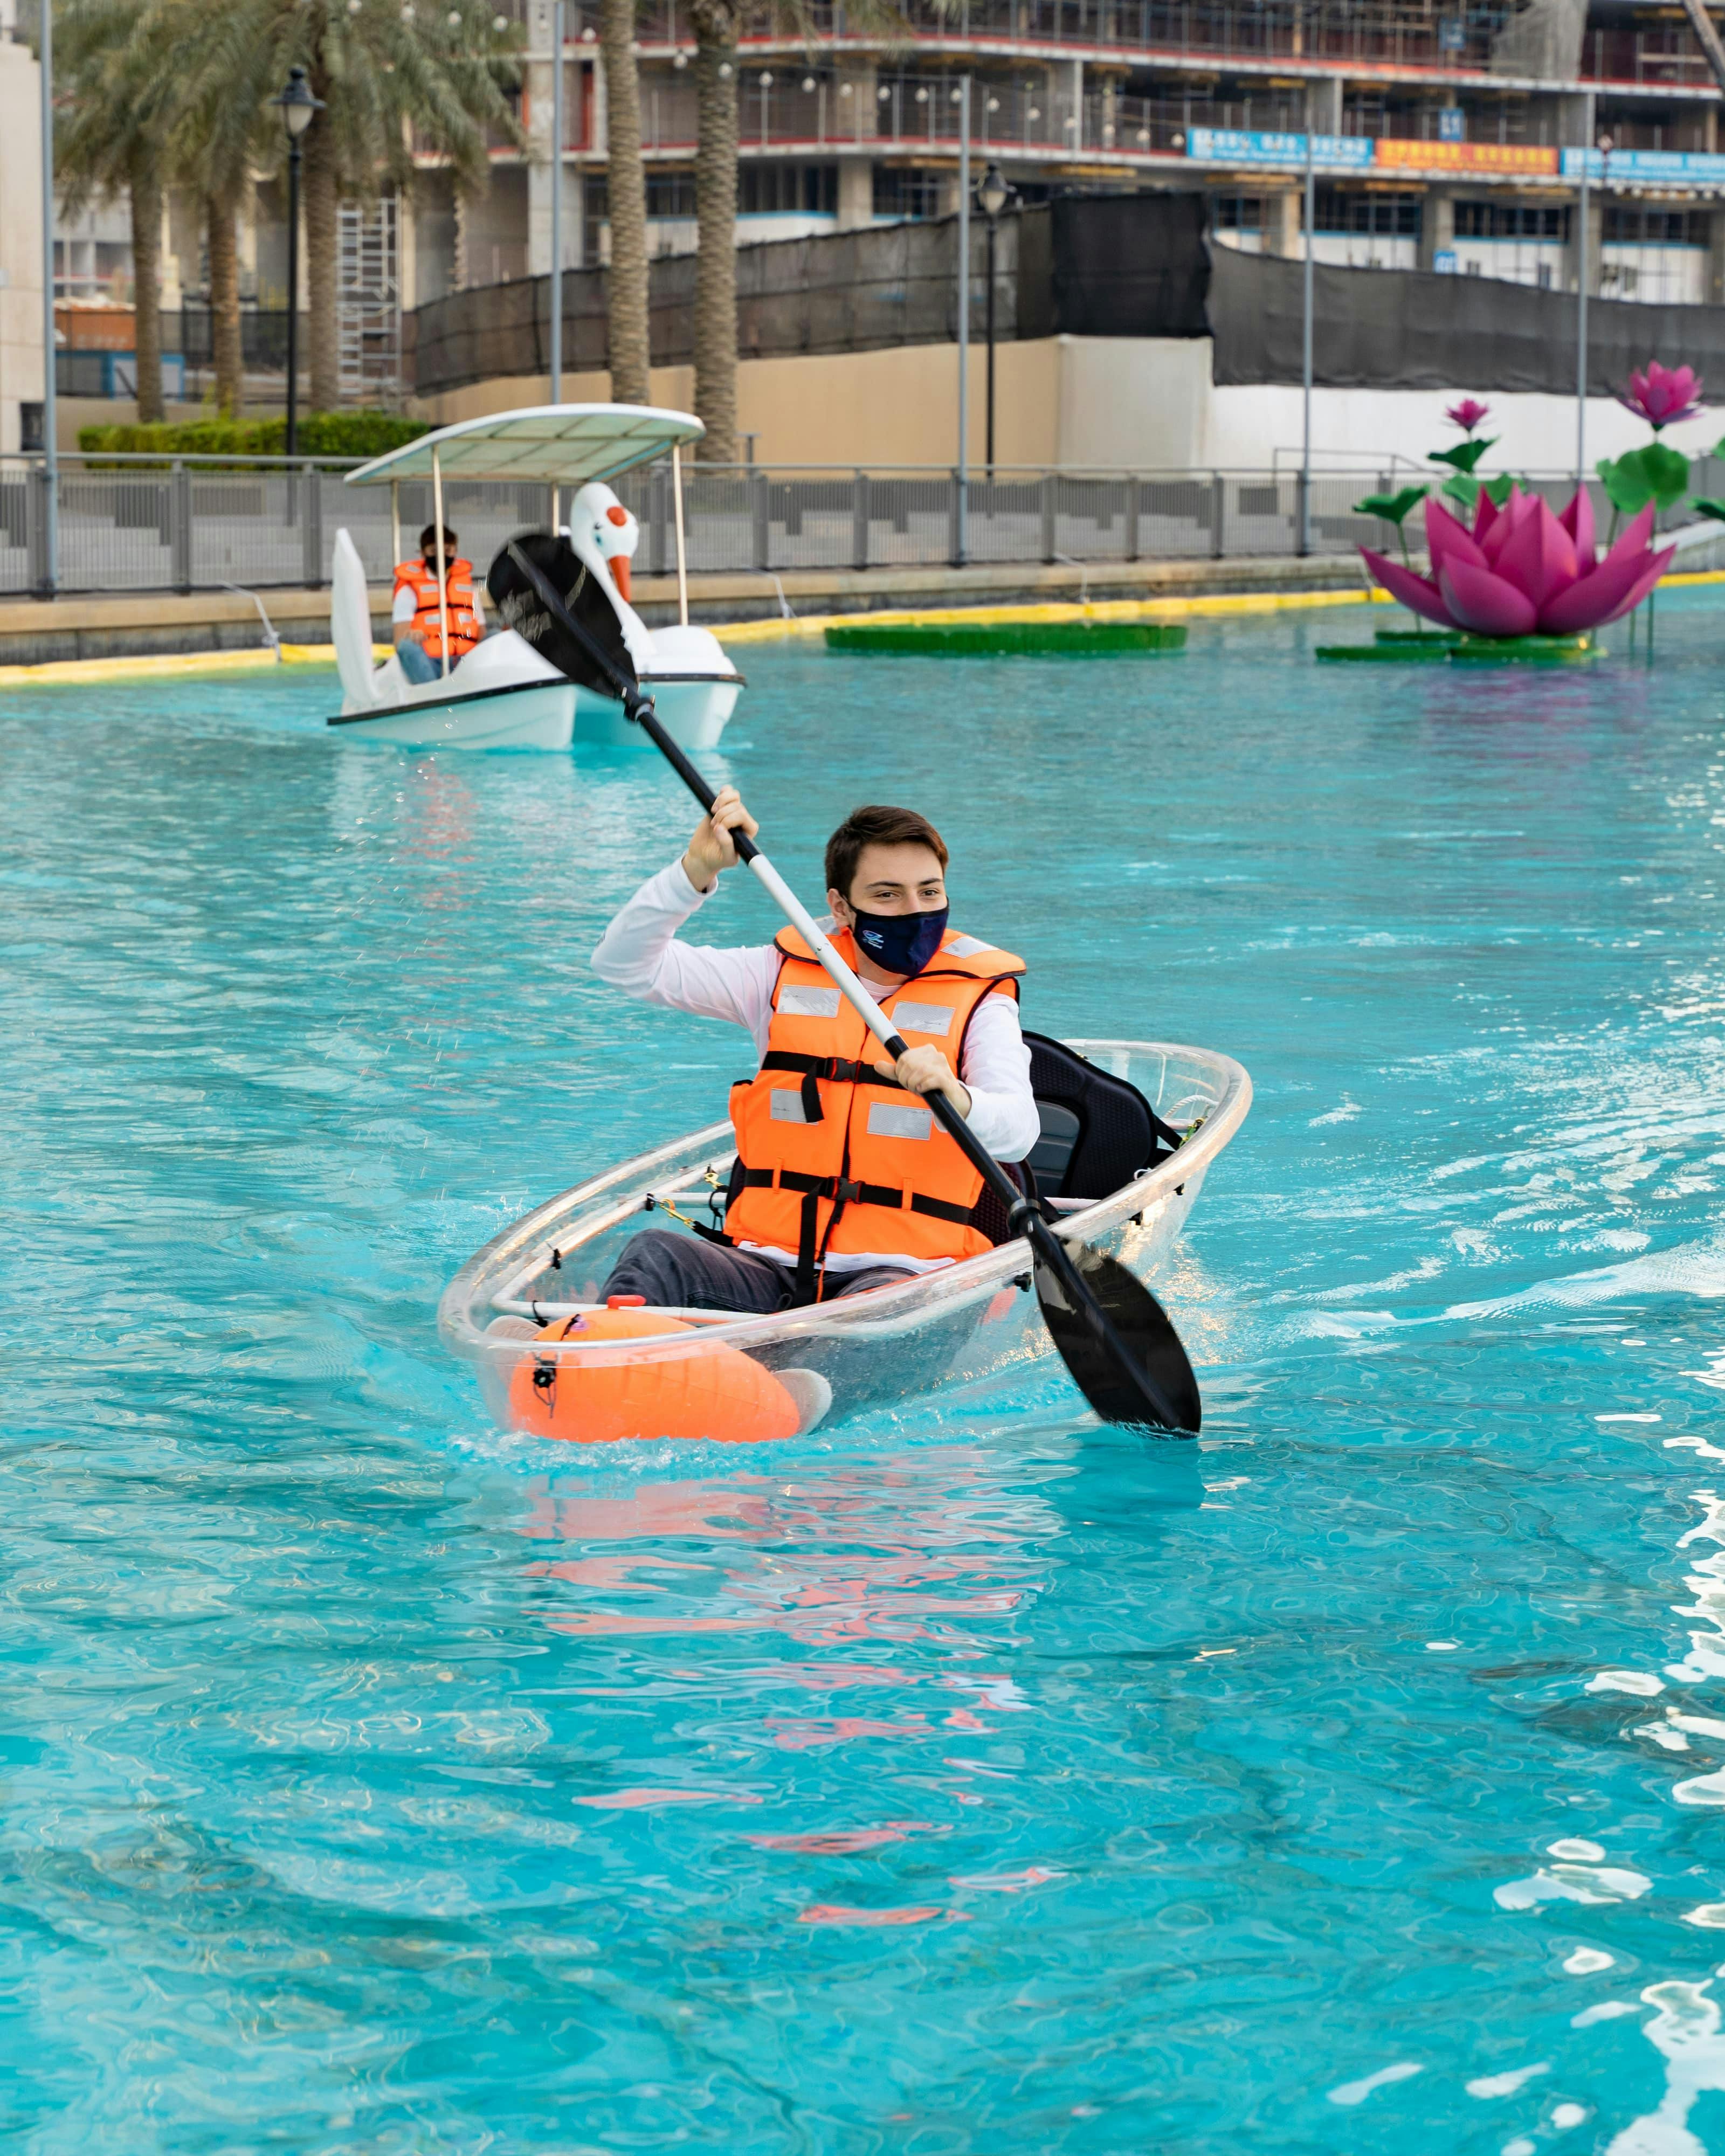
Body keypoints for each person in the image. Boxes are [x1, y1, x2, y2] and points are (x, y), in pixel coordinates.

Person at [591, 793, 1040, 1313]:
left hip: (900, 1275)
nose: (915, 911)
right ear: (840, 907)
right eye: (888, 895)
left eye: (929, 891)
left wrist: (958, 1098)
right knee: (656, 1253)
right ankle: (587, 1361)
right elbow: (622, 965)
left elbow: (1019, 1131)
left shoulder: (983, 998)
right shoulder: (774, 973)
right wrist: (694, 870)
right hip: (765, 1262)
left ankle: (790, 1390)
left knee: (875, 1308)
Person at [392, 523, 486, 683]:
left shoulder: (467, 587)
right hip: (431, 661)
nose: (442, 555)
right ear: (423, 553)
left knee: (496, 636)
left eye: (448, 550)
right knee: (406, 647)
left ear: (455, 552)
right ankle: (432, 695)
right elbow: (400, 638)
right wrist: (413, 635)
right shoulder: (409, 589)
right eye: (434, 551)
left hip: (466, 660)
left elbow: (482, 631)